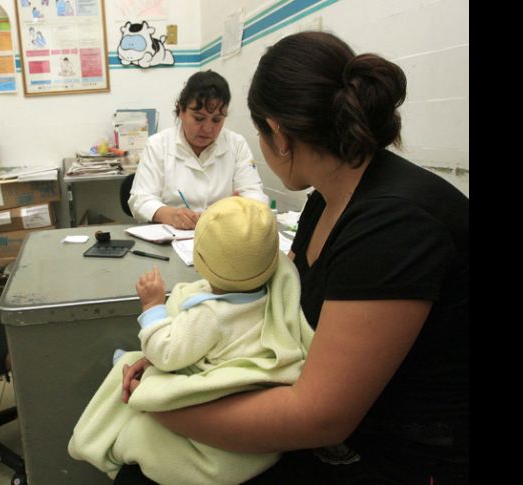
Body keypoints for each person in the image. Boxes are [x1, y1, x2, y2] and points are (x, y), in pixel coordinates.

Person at [117, 31, 469, 484]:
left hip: (403, 452)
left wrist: (162, 403)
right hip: (348, 416)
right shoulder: (328, 197)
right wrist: (182, 361)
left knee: (142, 466)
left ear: (279, 135)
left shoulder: (393, 227)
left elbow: (320, 418)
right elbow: (283, 313)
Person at [68, 197, 314, 485]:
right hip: (258, 419)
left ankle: (103, 442)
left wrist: (153, 307)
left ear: (200, 259)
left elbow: (166, 352)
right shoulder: (277, 290)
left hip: (214, 433)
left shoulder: (209, 315)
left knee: (130, 380)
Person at [127, 70, 269, 230]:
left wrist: (244, 207)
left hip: (223, 234)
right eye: (199, 118)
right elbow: (140, 200)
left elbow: (254, 194)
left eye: (217, 120)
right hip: (173, 236)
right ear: (181, 111)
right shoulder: (158, 144)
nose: (208, 129)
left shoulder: (236, 144)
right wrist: (171, 215)